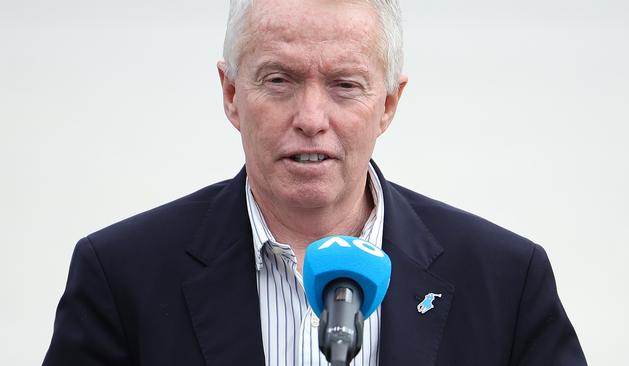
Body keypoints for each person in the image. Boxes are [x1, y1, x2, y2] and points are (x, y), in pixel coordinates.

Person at [43, 0, 587, 365]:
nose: (310, 116)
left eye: (344, 85)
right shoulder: (120, 276)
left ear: (389, 105)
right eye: (278, 80)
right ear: (231, 93)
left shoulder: (506, 282)